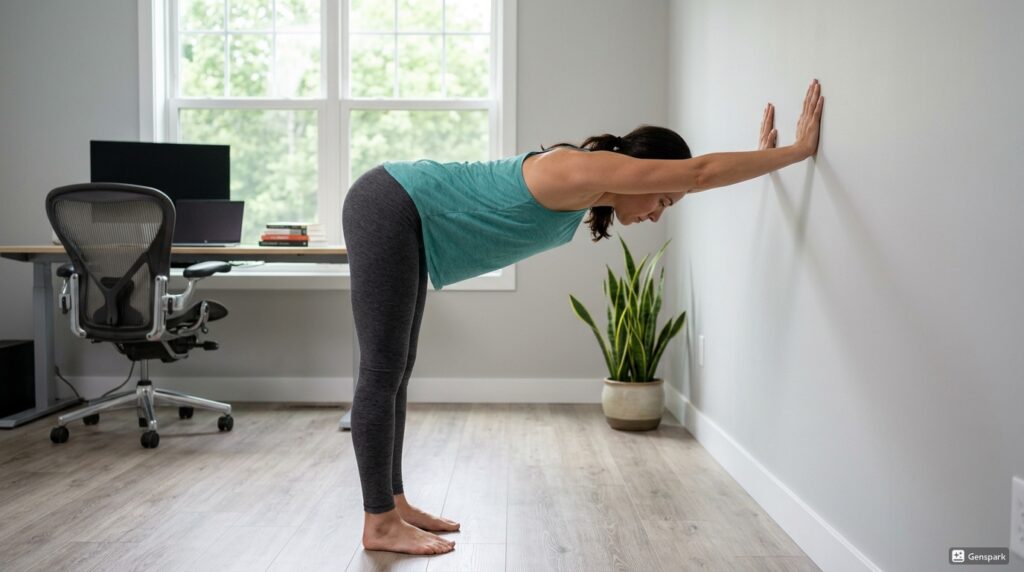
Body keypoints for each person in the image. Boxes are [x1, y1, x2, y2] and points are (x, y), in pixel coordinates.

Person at [341, 79, 824, 555]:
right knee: (382, 371)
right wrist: (796, 151)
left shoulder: (594, 187)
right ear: (643, 173)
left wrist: (760, 161)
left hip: (409, 218)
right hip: (391, 205)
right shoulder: (582, 169)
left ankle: (393, 503)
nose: (658, 214)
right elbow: (698, 173)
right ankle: (378, 522)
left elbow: (694, 180)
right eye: (662, 199)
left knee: (397, 370)